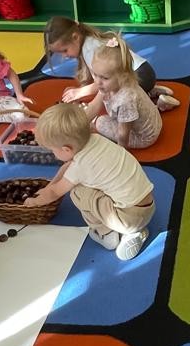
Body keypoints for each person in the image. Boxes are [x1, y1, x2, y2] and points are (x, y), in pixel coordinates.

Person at [24, 102, 153, 261]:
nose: (52, 153)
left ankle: (107, 234)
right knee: (88, 183)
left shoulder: (80, 167)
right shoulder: (96, 140)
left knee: (77, 191)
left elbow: (55, 193)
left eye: (52, 150)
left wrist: (33, 202)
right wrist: (50, 185)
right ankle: (134, 230)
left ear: (66, 149)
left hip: (127, 218)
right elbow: (66, 168)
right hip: (147, 206)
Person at [43, 16, 177, 110]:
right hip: (144, 71)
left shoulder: (90, 49)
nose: (65, 56)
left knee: (116, 105)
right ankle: (150, 91)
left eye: (65, 50)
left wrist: (80, 92)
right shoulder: (88, 40)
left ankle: (159, 105)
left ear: (75, 37)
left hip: (139, 76)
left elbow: (101, 83)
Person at [85, 40, 162, 150]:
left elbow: (123, 135)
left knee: (100, 122)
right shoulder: (108, 85)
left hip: (144, 137)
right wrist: (78, 126)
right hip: (151, 120)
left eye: (104, 78)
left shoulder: (125, 100)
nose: (98, 82)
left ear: (123, 76)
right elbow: (94, 106)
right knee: (94, 119)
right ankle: (156, 96)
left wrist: (121, 153)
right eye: (95, 75)